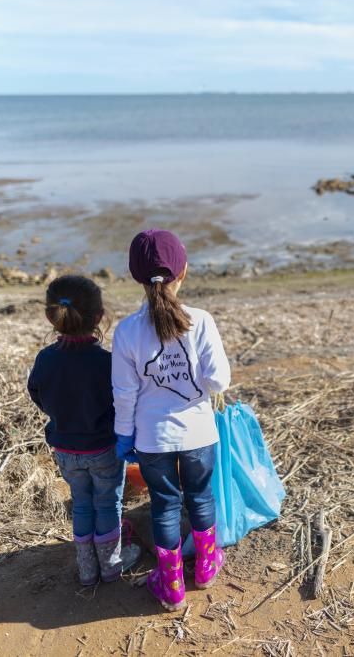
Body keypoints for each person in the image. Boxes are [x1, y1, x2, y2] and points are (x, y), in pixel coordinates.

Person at [112, 229, 231, 611]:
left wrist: (123, 435)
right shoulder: (201, 321)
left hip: (152, 439)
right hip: (198, 434)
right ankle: (208, 568)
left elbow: (125, 392)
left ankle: (172, 582)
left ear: (135, 277)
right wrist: (192, 381)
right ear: (184, 272)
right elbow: (219, 380)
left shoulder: (127, 330)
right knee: (201, 497)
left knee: (164, 505)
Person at [27, 275, 140, 586]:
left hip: (65, 449)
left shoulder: (45, 359)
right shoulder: (106, 363)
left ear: (50, 315)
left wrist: (61, 414)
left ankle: (87, 569)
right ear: (99, 317)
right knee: (107, 503)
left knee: (81, 502)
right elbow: (122, 400)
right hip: (103, 448)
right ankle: (111, 565)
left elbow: (36, 392)